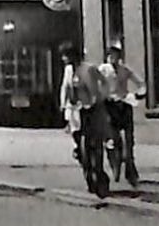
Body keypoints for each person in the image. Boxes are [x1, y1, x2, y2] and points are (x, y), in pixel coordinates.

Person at [61, 43, 112, 197]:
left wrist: (100, 97)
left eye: (66, 56)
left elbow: (103, 82)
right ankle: (88, 172)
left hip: (93, 109)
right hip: (77, 111)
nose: (64, 59)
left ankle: (99, 175)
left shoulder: (88, 68)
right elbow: (65, 88)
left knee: (94, 143)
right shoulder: (68, 70)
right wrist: (64, 105)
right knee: (81, 146)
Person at [99, 45, 144, 188]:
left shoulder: (125, 70)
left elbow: (140, 82)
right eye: (110, 55)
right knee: (113, 138)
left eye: (116, 55)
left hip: (124, 105)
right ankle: (115, 164)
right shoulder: (103, 70)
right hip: (109, 106)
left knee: (129, 139)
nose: (113, 58)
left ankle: (130, 169)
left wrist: (140, 93)